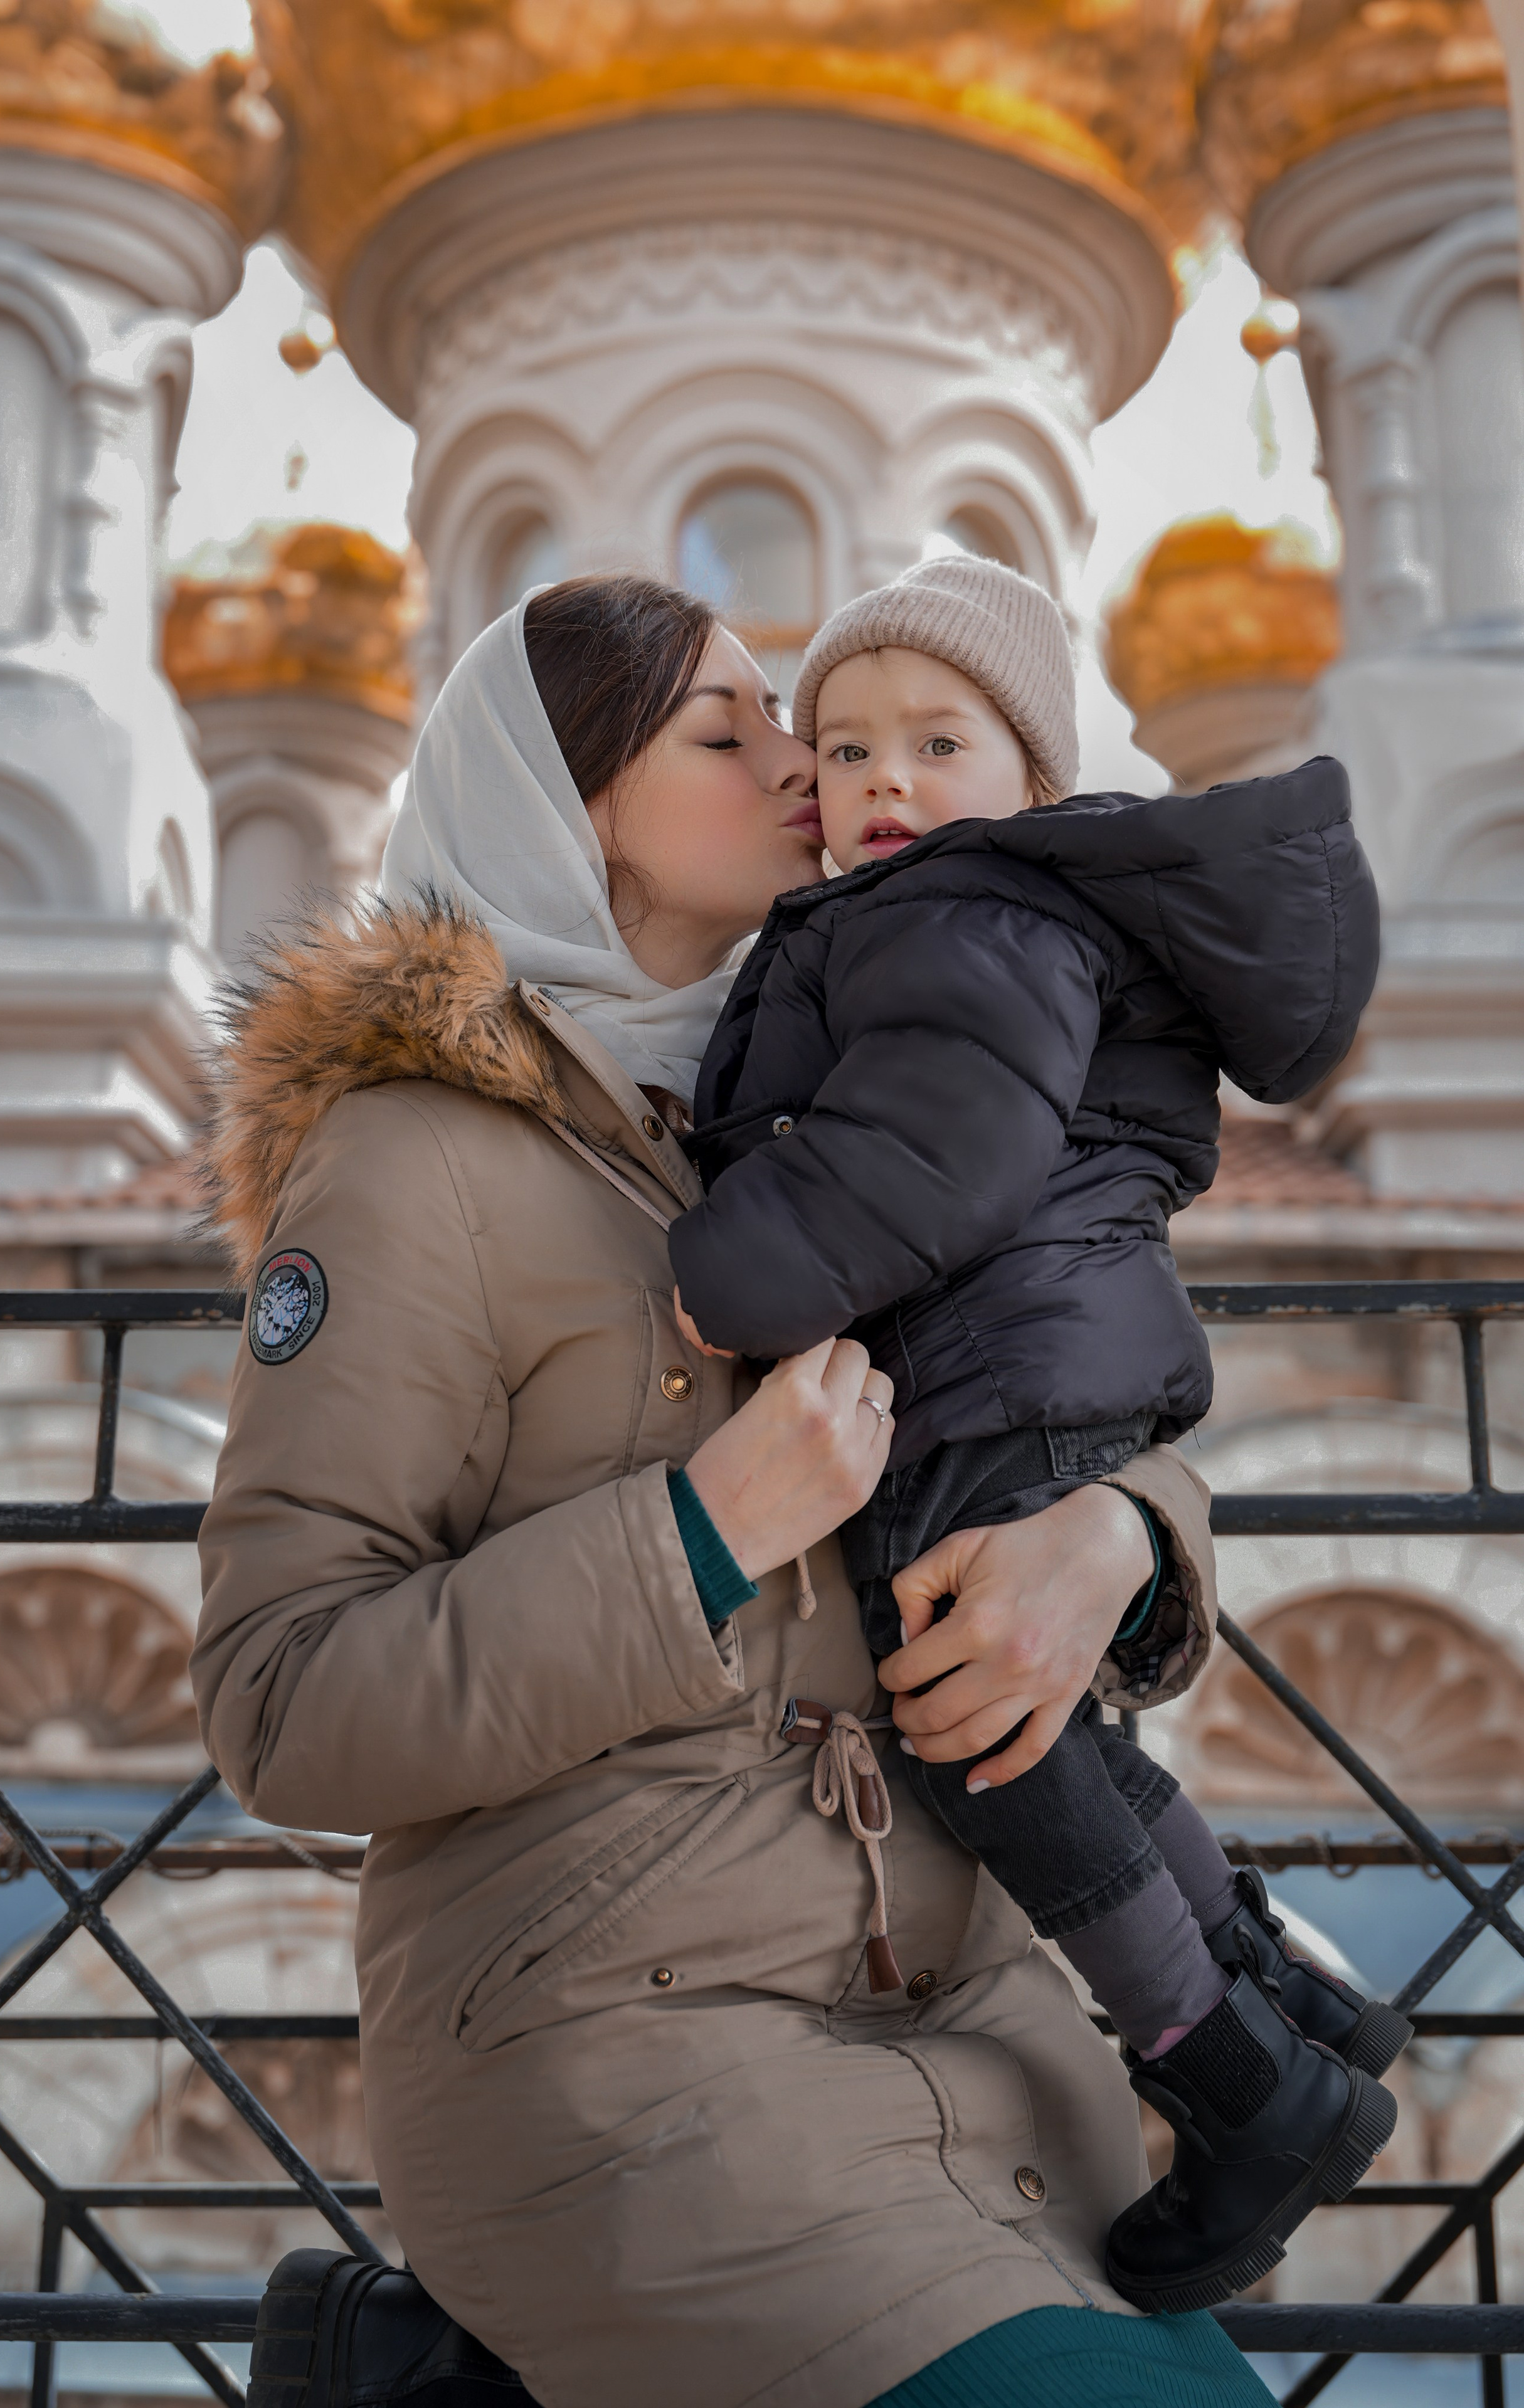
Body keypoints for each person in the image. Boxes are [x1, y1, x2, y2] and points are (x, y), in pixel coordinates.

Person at [194, 574, 1271, 2408]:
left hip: (987, 2040)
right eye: (732, 728)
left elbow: (1059, 1396)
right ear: (568, 798)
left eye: (806, 724)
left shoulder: (847, 1106)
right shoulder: (418, 1160)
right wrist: (701, 1534)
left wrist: (1128, 1543)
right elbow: (283, 1704)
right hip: (638, 2055)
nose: (812, 765)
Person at [667, 552, 1397, 2316]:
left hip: (987, 1373)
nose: (880, 785)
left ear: (1035, 779)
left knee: (974, 1739)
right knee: (1048, 1720)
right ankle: (1284, 1989)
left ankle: (1233, 2081)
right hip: (1033, 1360)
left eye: (936, 740)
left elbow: (934, 1158)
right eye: (842, 752)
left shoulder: (953, 916)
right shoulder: (989, 909)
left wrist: (724, 1273)